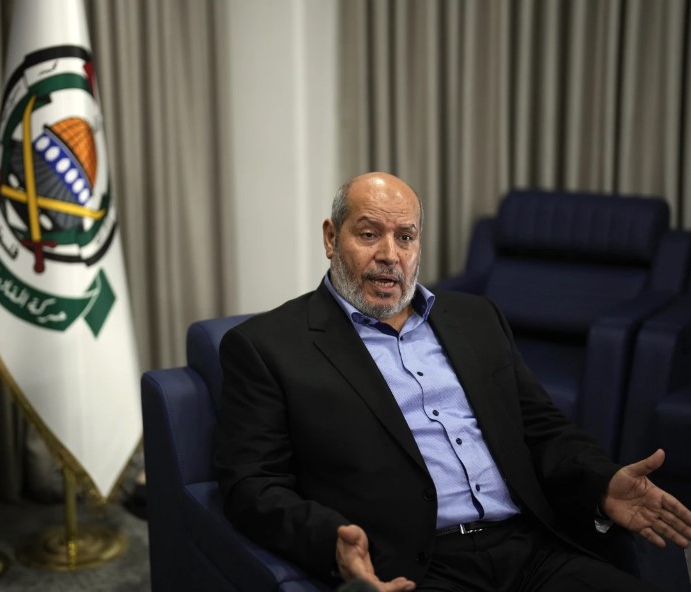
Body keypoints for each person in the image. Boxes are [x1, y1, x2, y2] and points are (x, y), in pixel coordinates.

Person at [214, 172, 691, 591]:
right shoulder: (266, 346)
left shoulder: (476, 318)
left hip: (531, 550)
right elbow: (253, 486)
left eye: (405, 237)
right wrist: (330, 541)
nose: (389, 255)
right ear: (331, 237)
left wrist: (601, 482)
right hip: (416, 569)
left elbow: (543, 430)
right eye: (369, 234)